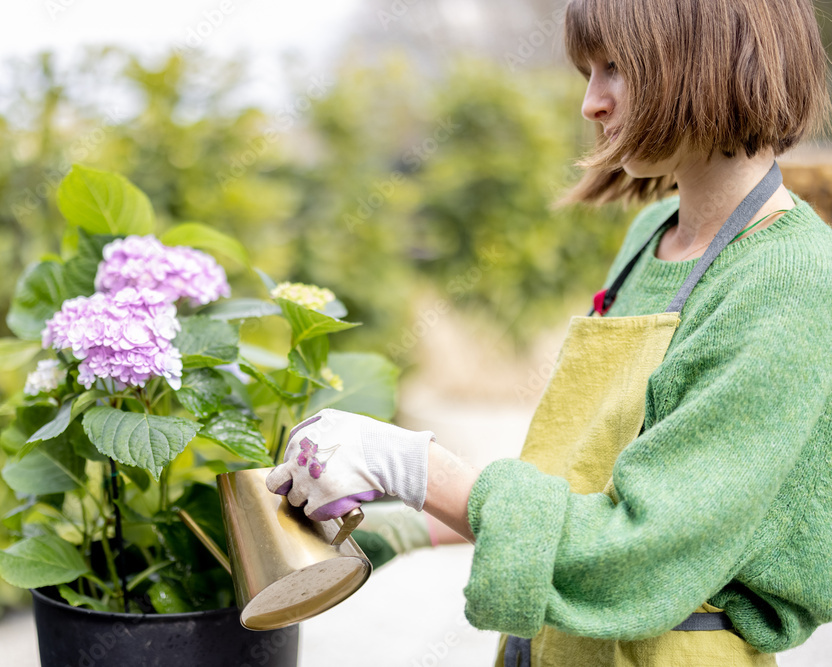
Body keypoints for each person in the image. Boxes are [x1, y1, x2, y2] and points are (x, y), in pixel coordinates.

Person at [265, 0, 832, 664]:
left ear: (708, 57)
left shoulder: (791, 279)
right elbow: (582, 482)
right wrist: (411, 524)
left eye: (615, 68)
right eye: (588, 72)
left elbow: (640, 550)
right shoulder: (651, 235)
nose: (591, 103)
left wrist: (416, 465)